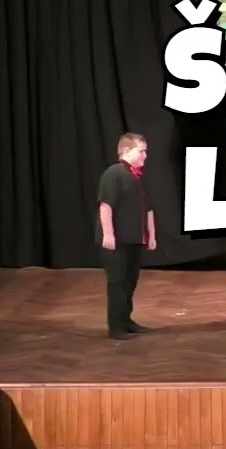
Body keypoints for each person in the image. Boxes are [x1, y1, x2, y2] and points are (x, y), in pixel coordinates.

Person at [97, 132, 157, 340]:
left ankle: (126, 320)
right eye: (141, 151)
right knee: (118, 283)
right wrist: (108, 234)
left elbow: (148, 209)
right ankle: (116, 327)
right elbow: (106, 205)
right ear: (126, 151)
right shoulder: (113, 174)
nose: (145, 156)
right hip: (118, 241)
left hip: (134, 239)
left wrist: (151, 235)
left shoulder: (137, 177)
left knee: (130, 282)